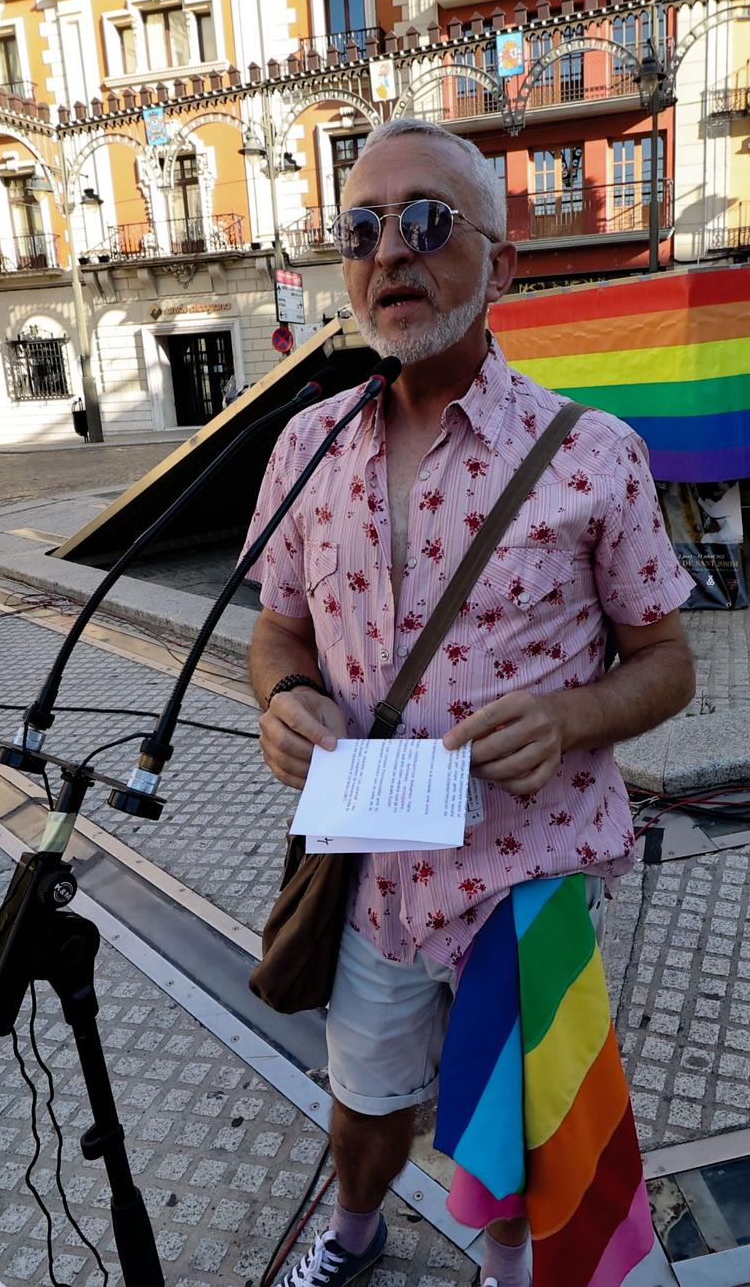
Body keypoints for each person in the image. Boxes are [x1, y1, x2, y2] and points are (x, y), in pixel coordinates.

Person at [245, 118, 696, 1287]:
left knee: (520, 1135)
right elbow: (276, 628)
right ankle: (352, 1233)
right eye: (361, 227)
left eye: (425, 221)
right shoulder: (303, 447)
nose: (389, 251)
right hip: (366, 869)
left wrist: (572, 720)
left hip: (520, 876)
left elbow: (668, 659)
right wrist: (285, 698)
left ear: (502, 258)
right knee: (364, 1094)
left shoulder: (592, 453)